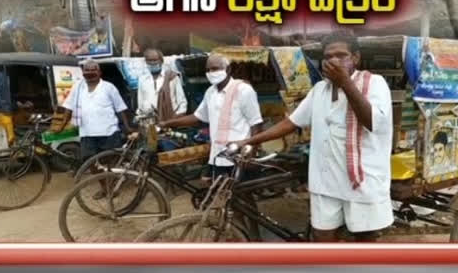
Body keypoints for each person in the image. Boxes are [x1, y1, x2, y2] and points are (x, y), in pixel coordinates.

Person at [237, 32, 393, 242]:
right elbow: (291, 122)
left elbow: (373, 122)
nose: (334, 61)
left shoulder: (375, 83)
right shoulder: (319, 89)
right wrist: (251, 140)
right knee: (323, 236)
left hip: (361, 182)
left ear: (355, 58)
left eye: (341, 55)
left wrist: (346, 82)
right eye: (328, 56)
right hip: (325, 182)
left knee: (364, 239)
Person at [158, 54, 263, 179]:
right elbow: (197, 117)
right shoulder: (210, 92)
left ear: (228, 69)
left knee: (243, 194)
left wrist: (252, 151)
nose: (210, 73)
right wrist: (167, 123)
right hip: (218, 155)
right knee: (221, 194)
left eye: (215, 69)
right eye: (207, 70)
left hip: (240, 156)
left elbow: (256, 123)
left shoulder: (244, 90)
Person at [54, 59, 133, 167]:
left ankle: (111, 182)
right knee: (91, 164)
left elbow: (120, 108)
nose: (90, 73)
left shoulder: (108, 87)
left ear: (100, 72)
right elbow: (69, 107)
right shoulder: (77, 87)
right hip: (87, 134)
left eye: (93, 70)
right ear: (83, 72)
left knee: (111, 163)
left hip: (109, 133)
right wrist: (62, 126)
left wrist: (127, 127)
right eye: (87, 70)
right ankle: (104, 183)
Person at [137, 49, 186, 150]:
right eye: (149, 60)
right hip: (150, 125)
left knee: (169, 153)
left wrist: (174, 119)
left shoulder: (172, 77)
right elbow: (140, 102)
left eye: (155, 60)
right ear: (145, 62)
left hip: (169, 123)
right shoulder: (142, 79)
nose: (152, 63)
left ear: (161, 61)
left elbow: (182, 102)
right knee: (151, 155)